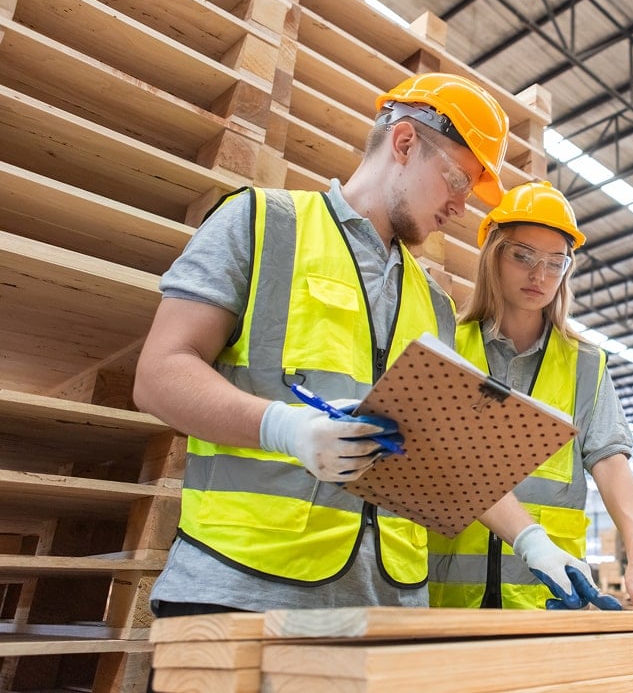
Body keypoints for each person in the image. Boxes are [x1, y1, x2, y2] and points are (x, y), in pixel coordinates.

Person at [134, 73, 598, 619]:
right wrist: (287, 430)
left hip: (387, 604)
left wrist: (532, 542)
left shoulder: (434, 301)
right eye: (458, 180)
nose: (460, 207)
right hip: (242, 589)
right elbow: (160, 374)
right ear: (404, 143)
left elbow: (446, 456)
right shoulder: (263, 223)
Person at [427, 181, 633, 611]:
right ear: (494, 254)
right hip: (447, 599)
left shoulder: (584, 364)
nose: (539, 276)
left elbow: (609, 460)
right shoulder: (447, 344)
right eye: (523, 256)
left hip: (549, 598)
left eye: (555, 263)